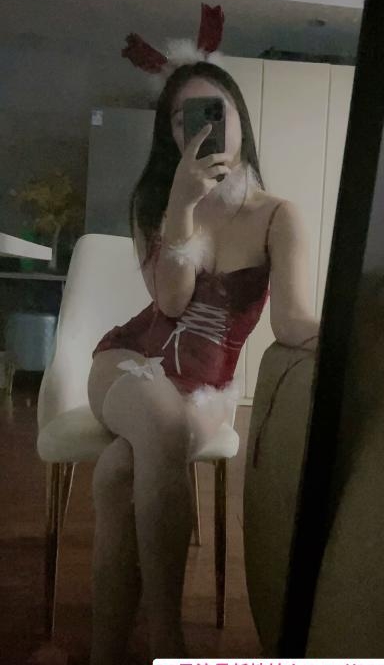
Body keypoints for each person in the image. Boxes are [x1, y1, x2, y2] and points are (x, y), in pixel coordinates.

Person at [86, 58, 318, 663]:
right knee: (161, 425)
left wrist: (352, 333)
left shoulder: (278, 215)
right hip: (129, 362)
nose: (203, 127)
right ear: (170, 133)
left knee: (116, 471)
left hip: (205, 387)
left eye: (216, 111)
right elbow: (169, 303)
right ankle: (168, 637)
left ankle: (107, 650)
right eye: (183, 118)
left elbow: (292, 321)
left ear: (240, 118)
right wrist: (181, 209)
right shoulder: (158, 203)